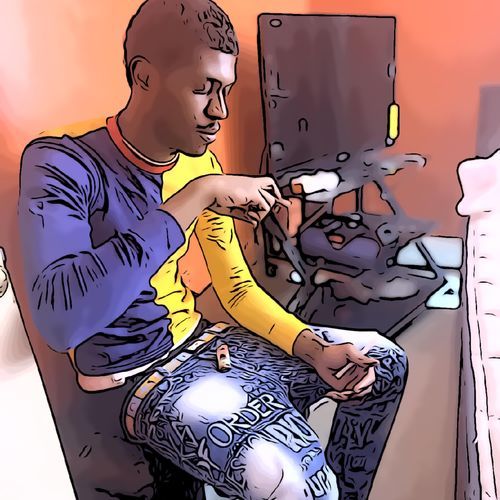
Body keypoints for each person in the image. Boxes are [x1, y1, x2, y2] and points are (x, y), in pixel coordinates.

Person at [18, 1, 408, 499]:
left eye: (225, 90)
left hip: (203, 342)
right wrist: (198, 194)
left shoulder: (198, 163)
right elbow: (62, 318)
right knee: (297, 481)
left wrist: (312, 347)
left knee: (383, 361)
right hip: (134, 376)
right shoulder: (63, 160)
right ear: (145, 77)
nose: (220, 112)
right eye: (204, 88)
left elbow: (237, 289)